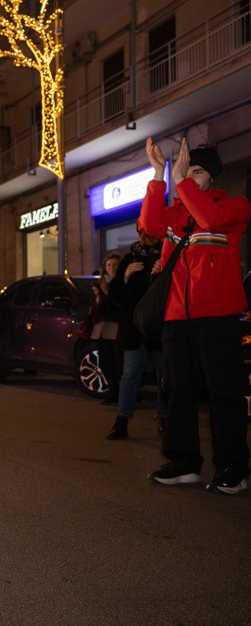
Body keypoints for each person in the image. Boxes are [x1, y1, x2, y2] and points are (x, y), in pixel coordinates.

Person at [139, 136, 251, 494]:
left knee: (225, 393)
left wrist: (182, 182)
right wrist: (159, 176)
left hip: (217, 315)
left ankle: (233, 469)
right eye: (188, 171)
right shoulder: (177, 215)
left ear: (211, 178)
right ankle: (184, 463)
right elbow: (149, 224)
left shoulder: (234, 208)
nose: (189, 176)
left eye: (197, 172)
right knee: (179, 392)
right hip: (176, 317)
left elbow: (209, 216)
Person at [105, 229, 166, 440]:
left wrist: (163, 273)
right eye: (144, 231)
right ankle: (121, 421)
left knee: (164, 375)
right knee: (130, 374)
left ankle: (164, 417)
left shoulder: (168, 253)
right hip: (134, 327)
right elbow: (115, 296)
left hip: (159, 325)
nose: (147, 236)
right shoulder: (131, 257)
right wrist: (125, 275)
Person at [88, 252, 122, 403]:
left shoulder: (122, 282)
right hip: (101, 328)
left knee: (118, 364)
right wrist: (97, 297)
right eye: (109, 265)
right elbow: (96, 309)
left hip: (115, 328)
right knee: (105, 364)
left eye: (115, 265)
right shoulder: (101, 283)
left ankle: (122, 395)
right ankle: (113, 393)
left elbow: (119, 304)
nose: (112, 268)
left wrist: (107, 293)